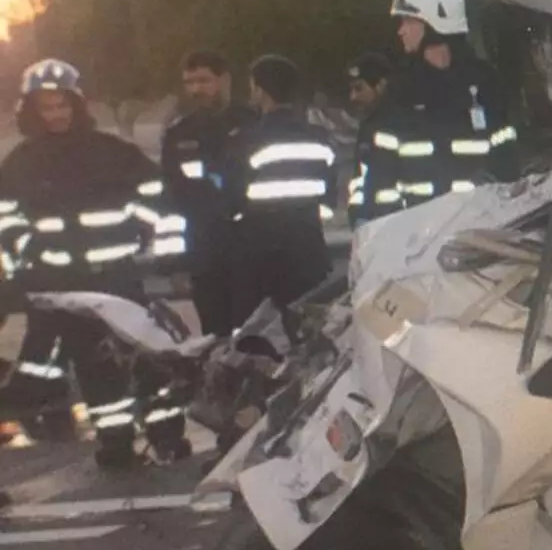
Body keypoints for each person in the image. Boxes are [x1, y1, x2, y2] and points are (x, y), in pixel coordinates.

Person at [0, 59, 182, 464]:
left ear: (77, 105)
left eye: (62, 105)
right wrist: (26, 259)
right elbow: (6, 219)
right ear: (30, 111)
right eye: (46, 108)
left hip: (118, 279)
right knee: (95, 371)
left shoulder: (114, 152)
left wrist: (159, 250)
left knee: (148, 360)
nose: (56, 115)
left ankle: (168, 435)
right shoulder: (19, 163)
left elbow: (157, 196)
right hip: (63, 286)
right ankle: (116, 445)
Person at [361, 0, 520, 215]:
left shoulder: (486, 82)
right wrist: (385, 225)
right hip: (416, 229)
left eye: (409, 21)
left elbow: (506, 160)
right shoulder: (401, 88)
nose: (401, 31)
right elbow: (381, 173)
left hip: (477, 225)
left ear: (437, 22)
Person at [225, 55, 335, 324]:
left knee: (260, 335)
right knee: (310, 330)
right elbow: (329, 198)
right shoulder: (320, 138)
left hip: (262, 258)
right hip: (309, 252)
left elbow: (233, 200)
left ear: (260, 91)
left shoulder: (246, 141)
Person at [159, 50, 256, 336]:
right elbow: (171, 202)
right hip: (204, 254)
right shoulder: (179, 135)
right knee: (215, 336)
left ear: (224, 80)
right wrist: (176, 264)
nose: (196, 89)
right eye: (189, 83)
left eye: (203, 81)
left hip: (252, 249)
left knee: (257, 336)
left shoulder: (254, 124)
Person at [343, 51, 393, 227]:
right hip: (373, 223)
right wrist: (358, 215)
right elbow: (362, 176)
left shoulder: (401, 123)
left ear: (381, 85)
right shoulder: (368, 125)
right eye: (351, 90)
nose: (353, 97)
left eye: (359, 88)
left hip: (399, 221)